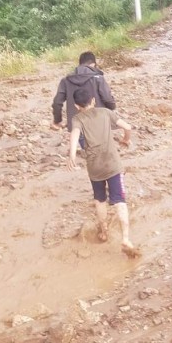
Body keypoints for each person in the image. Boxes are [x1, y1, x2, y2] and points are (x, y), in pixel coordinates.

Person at [68, 85, 137, 258]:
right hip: (113, 164)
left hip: (94, 167)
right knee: (120, 201)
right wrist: (125, 140)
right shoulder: (106, 112)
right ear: (93, 100)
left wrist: (72, 157)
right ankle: (126, 239)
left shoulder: (77, 119)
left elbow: (75, 137)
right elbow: (127, 127)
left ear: (77, 106)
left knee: (100, 199)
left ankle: (104, 231)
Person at [52, 51, 116, 133]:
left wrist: (57, 120)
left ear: (80, 64)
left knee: (85, 145)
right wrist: (111, 109)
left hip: (77, 126)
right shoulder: (98, 78)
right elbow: (108, 99)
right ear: (93, 64)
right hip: (99, 123)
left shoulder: (66, 80)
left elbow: (57, 102)